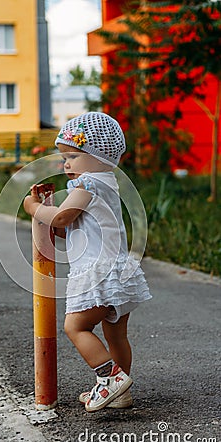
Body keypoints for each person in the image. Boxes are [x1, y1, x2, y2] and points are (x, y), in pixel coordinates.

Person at [24, 112, 152, 412]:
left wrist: (32, 207)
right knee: (116, 334)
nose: (65, 164)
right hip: (117, 270)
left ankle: (109, 379)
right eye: (63, 158)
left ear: (98, 156)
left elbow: (61, 217)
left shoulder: (88, 186)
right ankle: (120, 393)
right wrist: (53, 218)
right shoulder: (105, 183)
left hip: (99, 273)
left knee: (76, 326)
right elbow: (68, 226)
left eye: (72, 156)